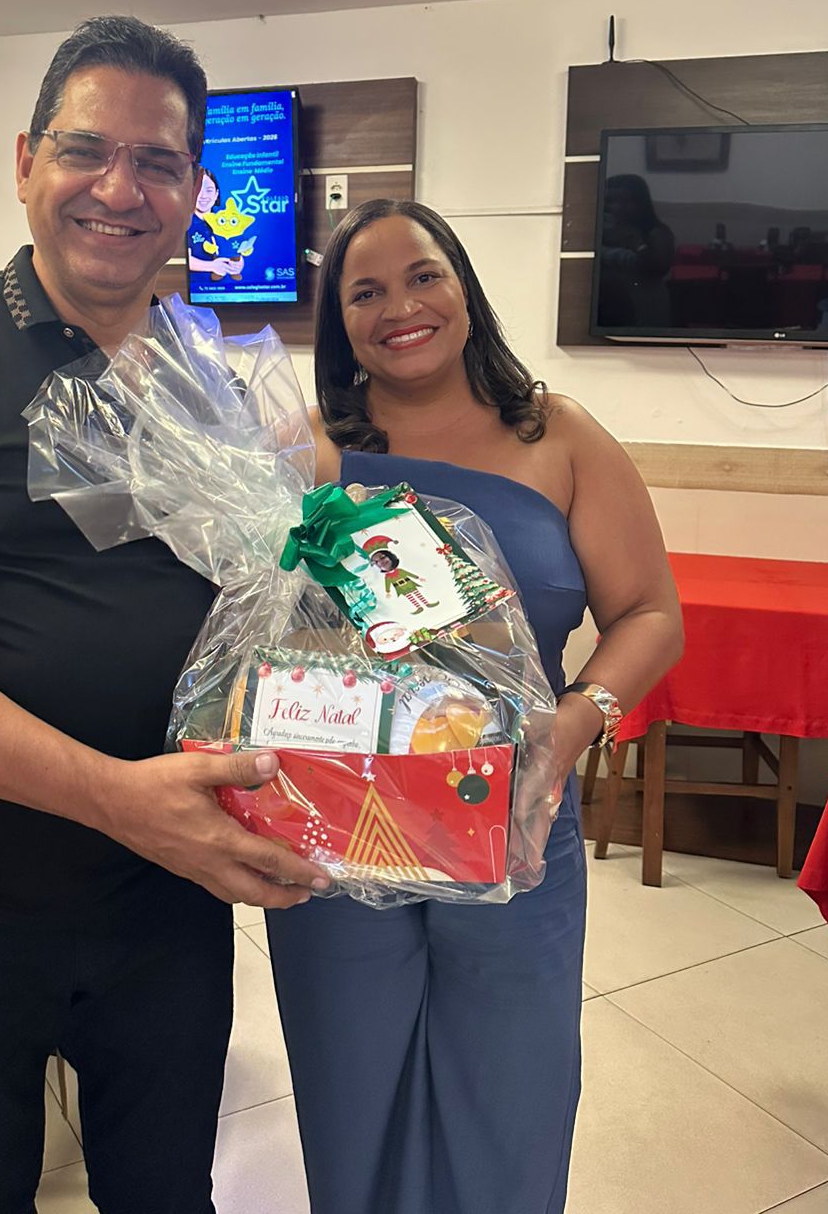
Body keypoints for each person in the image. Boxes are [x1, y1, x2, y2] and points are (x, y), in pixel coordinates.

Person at [0, 15, 328, 1214]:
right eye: (87, 150)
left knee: (166, 1192)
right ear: (26, 160)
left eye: (159, 163)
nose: (119, 189)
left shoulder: (210, 376)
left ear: (195, 191)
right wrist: (116, 796)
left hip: (166, 898)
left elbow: (267, 590)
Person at [266, 198, 683, 1214]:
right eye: (366, 291)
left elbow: (649, 613)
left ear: (463, 286)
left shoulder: (559, 435)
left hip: (517, 820)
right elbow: (256, 635)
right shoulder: (303, 450)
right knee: (351, 1086)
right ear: (339, 323)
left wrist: (576, 721)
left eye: (424, 275)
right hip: (344, 831)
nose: (401, 307)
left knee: (511, 1094)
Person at [597, 172, 675, 328]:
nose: (617, 207)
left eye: (626, 200)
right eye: (610, 201)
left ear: (641, 203)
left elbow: (659, 268)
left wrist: (637, 244)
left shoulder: (657, 232)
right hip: (606, 310)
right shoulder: (598, 231)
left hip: (646, 306)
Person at [187, 165, 244, 279]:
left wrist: (238, 263)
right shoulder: (185, 222)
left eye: (209, 190)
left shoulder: (226, 218)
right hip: (197, 285)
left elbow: (236, 246)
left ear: (216, 194)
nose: (203, 196)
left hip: (228, 287)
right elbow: (186, 259)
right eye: (198, 190)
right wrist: (212, 266)